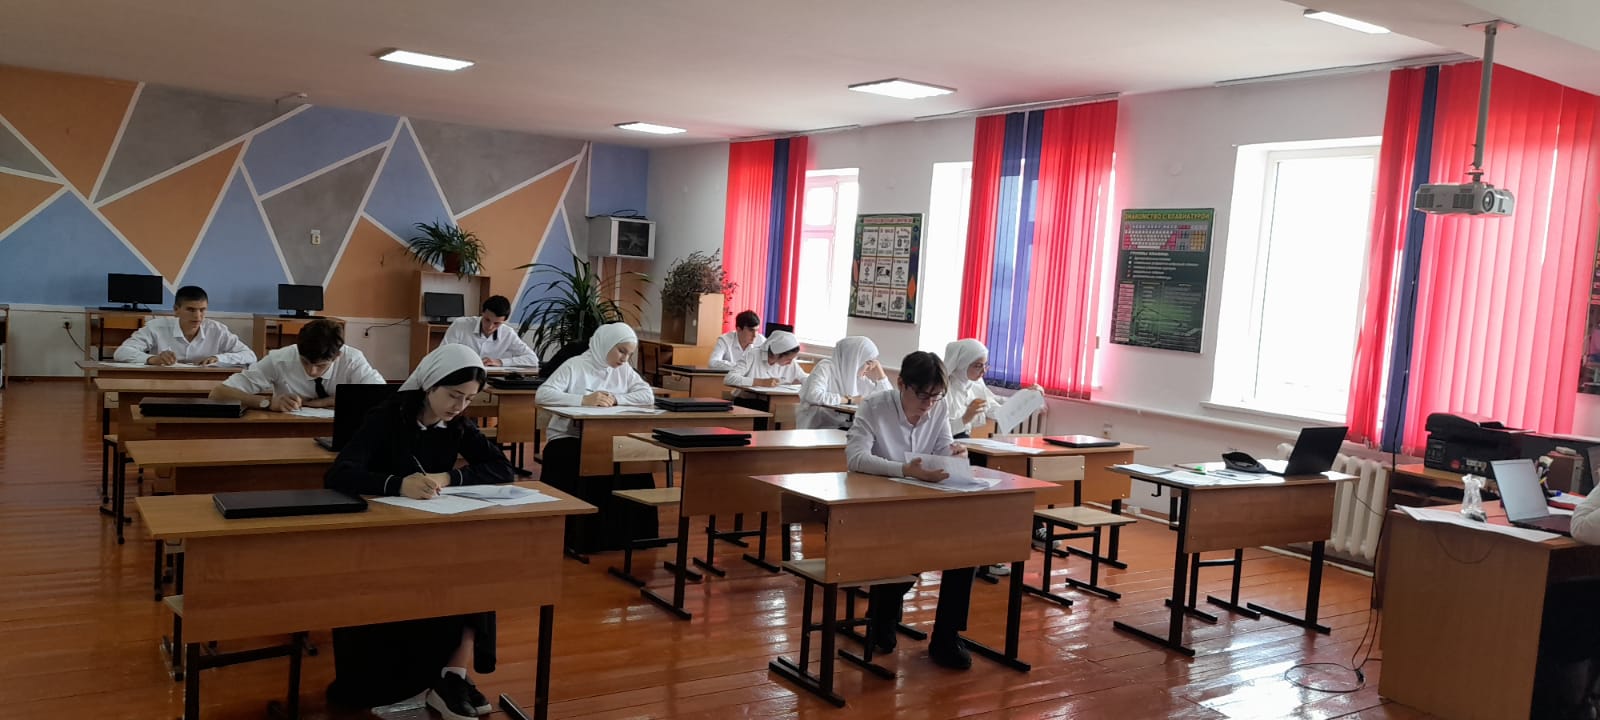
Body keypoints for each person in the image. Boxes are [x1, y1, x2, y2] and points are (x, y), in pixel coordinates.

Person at [322, 344, 511, 719]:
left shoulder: (457, 424)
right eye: (453, 395)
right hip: (378, 533)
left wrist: (449, 477)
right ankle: (422, 682)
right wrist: (397, 484)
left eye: (469, 399)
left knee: (477, 568)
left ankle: (451, 674)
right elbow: (339, 474)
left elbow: (501, 468)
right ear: (430, 384)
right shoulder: (386, 417)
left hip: (431, 528)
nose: (459, 406)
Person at [846, 351, 975, 670]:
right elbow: (856, 458)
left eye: (936, 396)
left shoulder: (939, 406)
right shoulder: (874, 406)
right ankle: (883, 612)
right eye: (923, 395)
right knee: (914, 547)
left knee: (967, 547)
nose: (929, 403)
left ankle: (946, 636)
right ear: (902, 383)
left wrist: (956, 454)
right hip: (877, 505)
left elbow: (942, 449)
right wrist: (905, 470)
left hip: (922, 503)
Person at [535, 323, 655, 550]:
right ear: (606, 344)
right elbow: (542, 395)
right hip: (569, 437)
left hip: (608, 438)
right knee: (576, 459)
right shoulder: (575, 365)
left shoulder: (623, 370)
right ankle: (577, 538)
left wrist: (616, 398)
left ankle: (627, 537)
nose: (624, 359)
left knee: (635, 465)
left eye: (629, 354)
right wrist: (582, 400)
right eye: (621, 351)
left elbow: (646, 395)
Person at [209, 318, 383, 410]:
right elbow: (218, 393)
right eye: (305, 362)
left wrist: (325, 402)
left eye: (321, 366)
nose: (312, 371)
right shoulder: (279, 358)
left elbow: (382, 398)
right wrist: (267, 402)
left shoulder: (352, 359)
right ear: (297, 348)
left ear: (338, 355)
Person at [112, 285, 256, 366]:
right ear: (176, 310)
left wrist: (219, 358)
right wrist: (152, 359)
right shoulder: (156, 327)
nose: (198, 316)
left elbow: (250, 355)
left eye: (202, 310)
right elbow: (121, 352)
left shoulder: (217, 329)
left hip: (205, 384)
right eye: (191, 310)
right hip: (162, 383)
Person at [797, 336, 891, 429]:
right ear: (854, 359)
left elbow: (889, 400)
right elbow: (814, 396)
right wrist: (850, 400)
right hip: (820, 427)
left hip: (846, 427)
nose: (870, 367)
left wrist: (879, 371)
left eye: (873, 362)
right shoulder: (825, 367)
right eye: (868, 362)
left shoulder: (857, 377)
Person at [442, 295, 539, 369]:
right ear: (482, 312)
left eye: (497, 323)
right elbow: (442, 355)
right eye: (487, 320)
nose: (490, 327)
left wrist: (500, 362)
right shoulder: (460, 325)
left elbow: (533, 359)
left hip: (492, 379)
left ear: (504, 321)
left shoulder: (508, 333)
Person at [723, 330, 807, 405]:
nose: (790, 363)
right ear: (777, 354)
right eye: (788, 359)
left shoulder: (791, 364)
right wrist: (760, 382)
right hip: (746, 402)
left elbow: (805, 378)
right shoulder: (752, 355)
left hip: (775, 403)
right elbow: (729, 378)